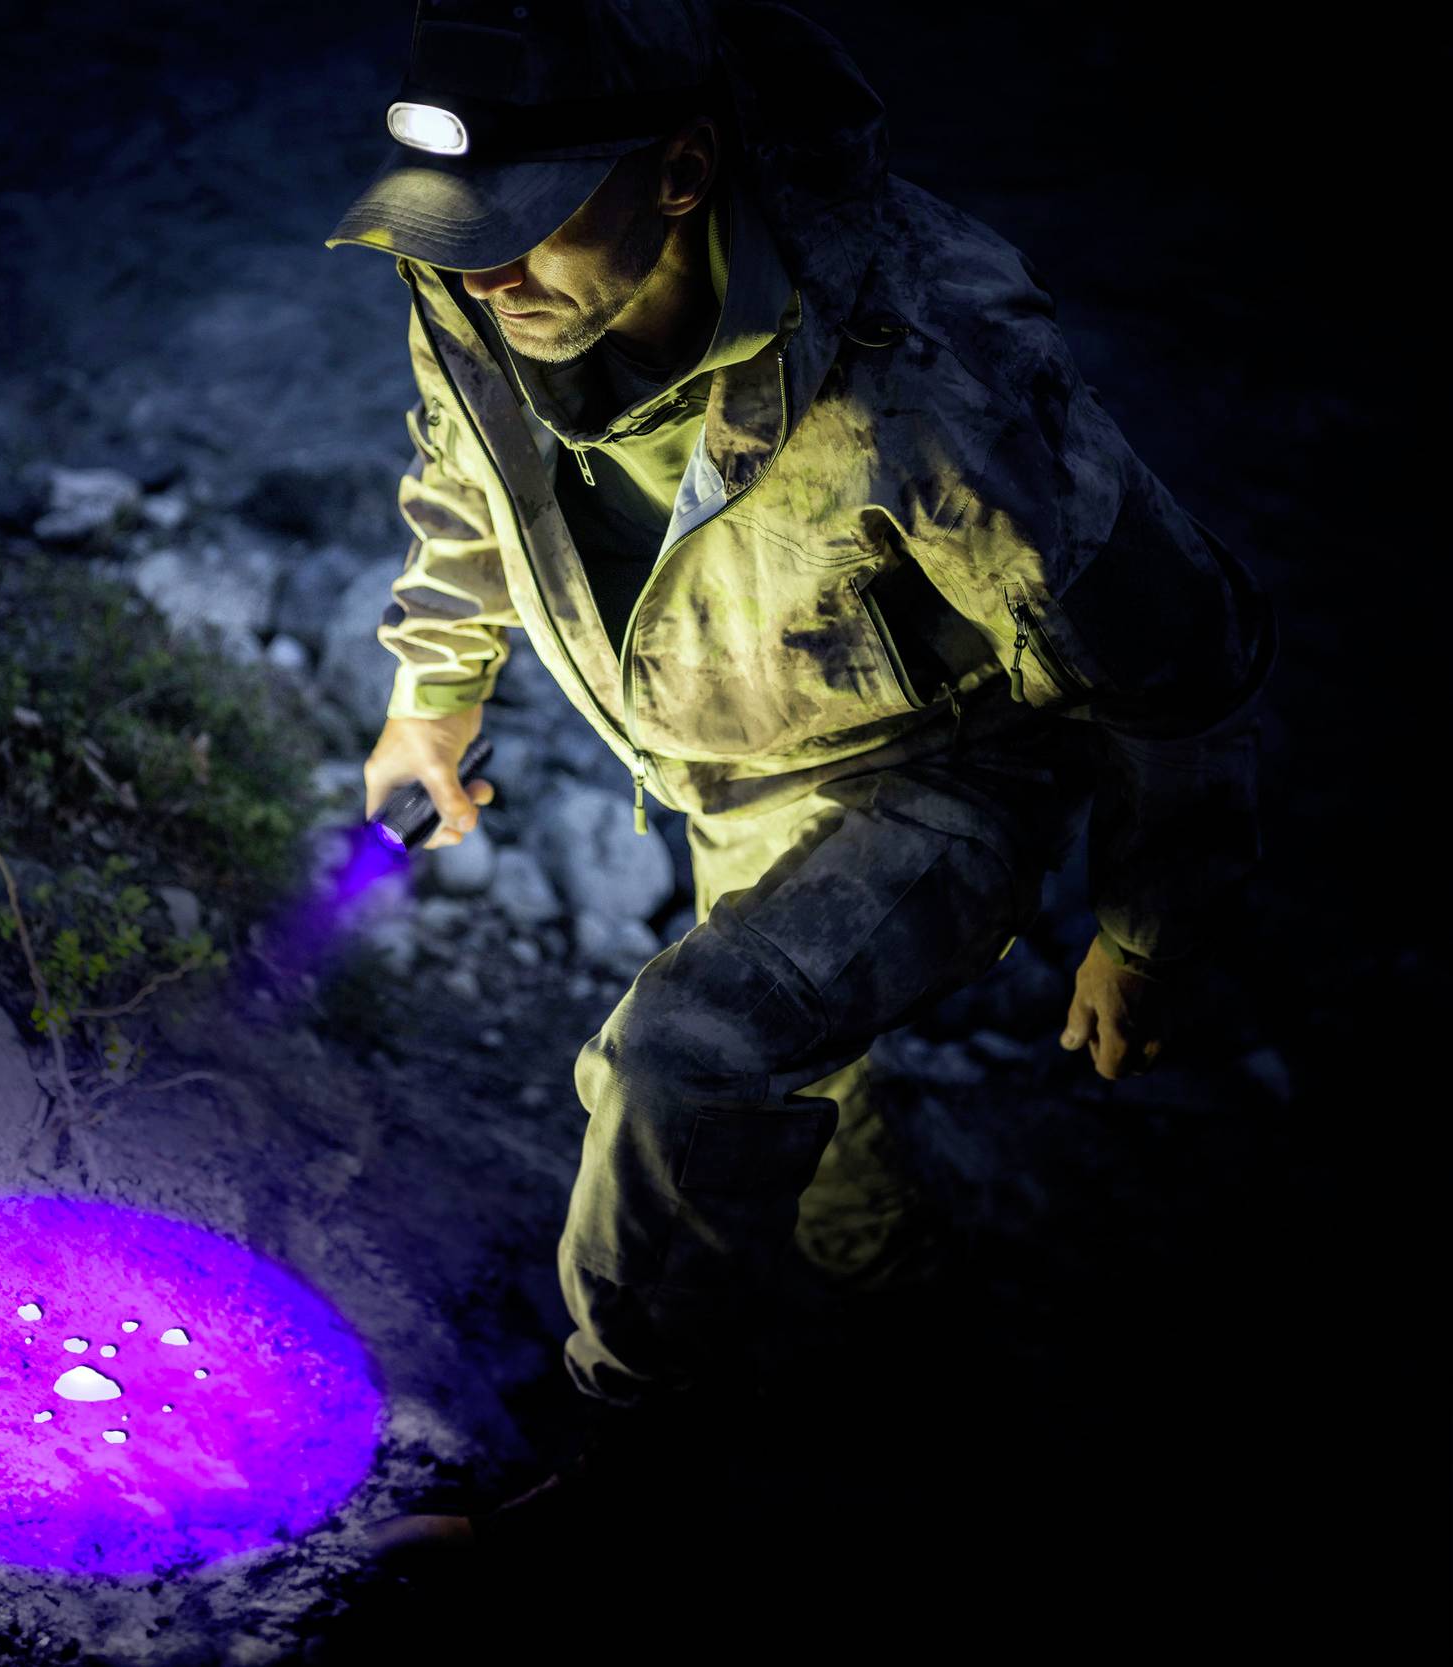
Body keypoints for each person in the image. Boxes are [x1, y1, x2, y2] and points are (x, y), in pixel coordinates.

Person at [326, 0, 1274, 1562]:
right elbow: (462, 472)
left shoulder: (924, 363)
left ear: (685, 167)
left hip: (944, 766)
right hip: (732, 756)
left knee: (684, 1053)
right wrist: (435, 687)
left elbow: (1179, 645)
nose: (480, 271)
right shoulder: (478, 287)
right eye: (446, 231)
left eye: (527, 223)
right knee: (803, 1084)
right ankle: (910, 1348)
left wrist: (1154, 922)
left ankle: (632, 1461)